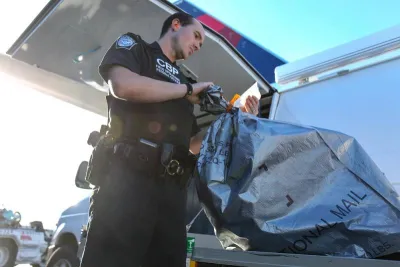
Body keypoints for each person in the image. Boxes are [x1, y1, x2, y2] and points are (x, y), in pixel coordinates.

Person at [79, 12, 260, 267]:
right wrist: (187, 91)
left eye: (201, 43)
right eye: (196, 35)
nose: (198, 44)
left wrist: (234, 118)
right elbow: (121, 86)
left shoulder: (185, 82)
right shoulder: (137, 48)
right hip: (126, 186)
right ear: (175, 24)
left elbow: (190, 144)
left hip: (172, 197)